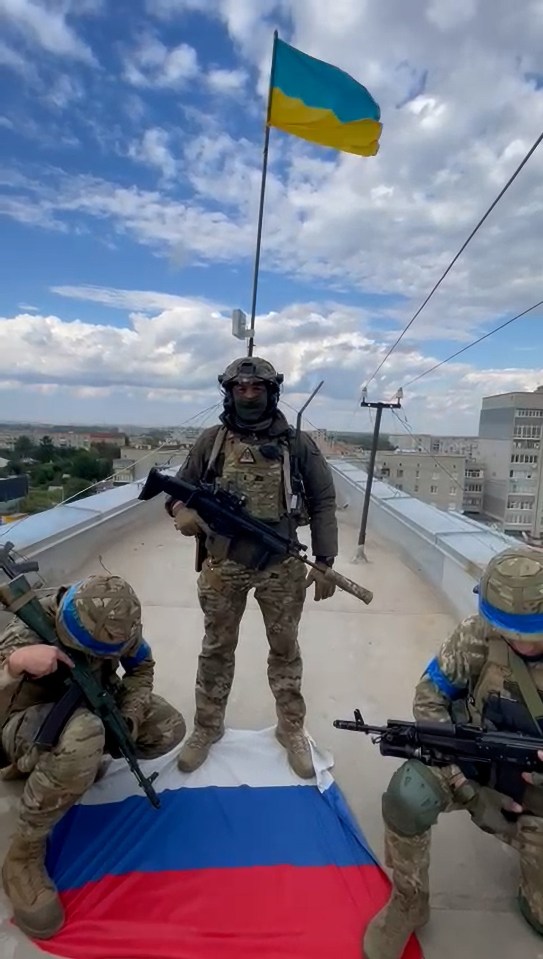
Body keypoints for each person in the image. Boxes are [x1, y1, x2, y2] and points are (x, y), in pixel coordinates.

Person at [363, 545, 543, 959]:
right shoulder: (478, 634)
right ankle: (409, 899)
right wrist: (466, 786)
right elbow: (430, 698)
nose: (518, 644)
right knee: (409, 794)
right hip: (476, 765)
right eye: (509, 632)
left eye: (528, 635)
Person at [165, 356, 338, 779]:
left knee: (284, 651)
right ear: (229, 392)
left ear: (270, 392)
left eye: (256, 388)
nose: (247, 394)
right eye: (240, 388)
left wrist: (325, 561)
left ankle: (291, 728)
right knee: (216, 649)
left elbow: (323, 501)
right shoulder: (211, 441)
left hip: (280, 564)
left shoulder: (296, 445)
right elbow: (178, 487)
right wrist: (179, 510)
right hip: (223, 562)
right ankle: (207, 728)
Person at [0, 573, 186, 941]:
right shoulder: (25, 631)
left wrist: (129, 716)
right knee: (85, 735)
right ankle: (22, 855)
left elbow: (141, 668)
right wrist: (14, 665)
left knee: (167, 728)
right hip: (23, 719)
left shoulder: (114, 622)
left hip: (90, 701)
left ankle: (70, 767)